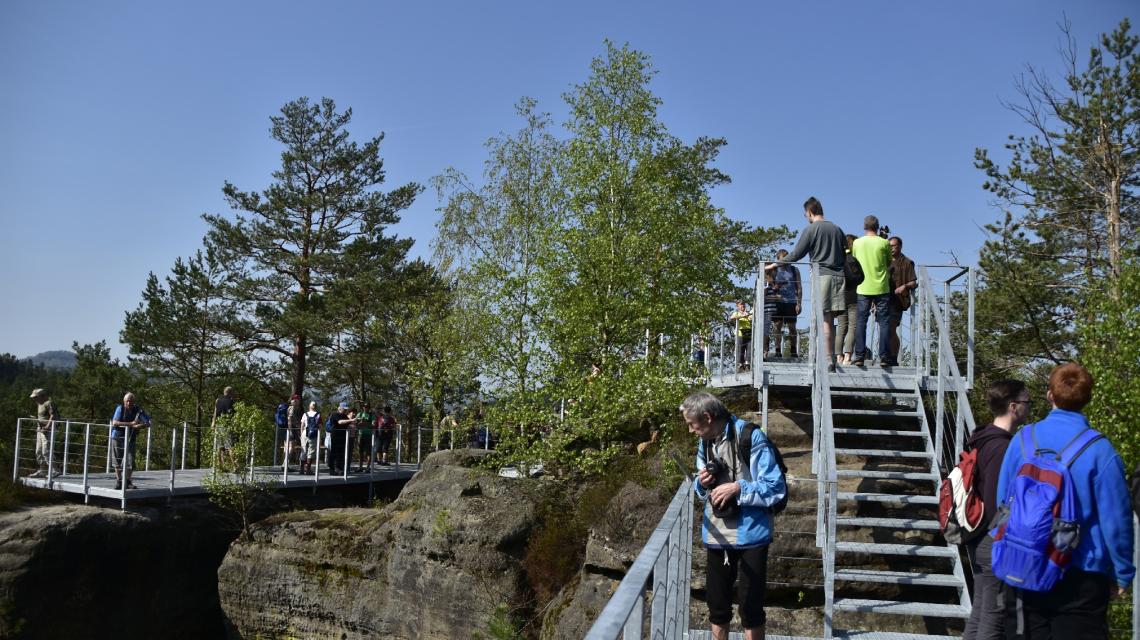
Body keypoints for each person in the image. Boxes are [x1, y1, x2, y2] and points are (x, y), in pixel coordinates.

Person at [995, 363, 1134, 638]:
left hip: (1024, 563)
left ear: (1050, 395)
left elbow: (1003, 501)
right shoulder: (1101, 451)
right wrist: (1122, 572)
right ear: (1088, 398)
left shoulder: (1022, 440)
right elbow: (1116, 521)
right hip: (1080, 573)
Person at [682, 391, 785, 640]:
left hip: (752, 536)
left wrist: (738, 487)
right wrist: (703, 483)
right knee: (717, 608)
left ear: (707, 417)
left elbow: (775, 487)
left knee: (751, 609)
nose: (690, 430)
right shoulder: (705, 443)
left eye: (691, 424)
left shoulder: (750, 436)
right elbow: (701, 491)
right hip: (718, 535)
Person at [962, 379, 1030, 640]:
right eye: (1027, 402)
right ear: (1013, 406)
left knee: (980, 613)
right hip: (993, 540)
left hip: (979, 537)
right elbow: (995, 501)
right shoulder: (1002, 447)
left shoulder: (982, 438)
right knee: (993, 618)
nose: (1030, 407)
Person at [765, 197, 847, 372]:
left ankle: (826, 359)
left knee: (823, 319)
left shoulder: (812, 229)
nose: (806, 218)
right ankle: (831, 355)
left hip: (822, 276)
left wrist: (774, 264)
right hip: (839, 276)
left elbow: (796, 254)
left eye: (806, 215)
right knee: (831, 319)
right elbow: (844, 254)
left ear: (810, 212)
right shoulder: (838, 230)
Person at [851, 215, 893, 368]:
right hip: (881, 286)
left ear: (864, 226)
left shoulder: (857, 243)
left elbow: (854, 260)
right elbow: (888, 261)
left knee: (861, 321)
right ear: (877, 227)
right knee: (884, 322)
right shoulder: (884, 243)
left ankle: (860, 356)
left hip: (862, 286)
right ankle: (884, 356)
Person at [110, 392, 150, 490]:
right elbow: (115, 422)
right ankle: (119, 481)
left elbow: (148, 422)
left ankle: (127, 481)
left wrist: (139, 426)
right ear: (124, 402)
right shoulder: (120, 408)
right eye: (127, 401)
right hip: (118, 437)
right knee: (117, 460)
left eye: (131, 401)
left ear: (134, 402)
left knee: (130, 460)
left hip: (130, 438)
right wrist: (131, 424)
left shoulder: (138, 410)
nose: (129, 403)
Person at [887, 236, 917, 365]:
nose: (891, 248)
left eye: (893, 246)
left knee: (891, 328)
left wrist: (905, 286)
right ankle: (885, 356)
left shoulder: (907, 262)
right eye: (889, 246)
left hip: (897, 301)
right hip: (883, 299)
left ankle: (893, 358)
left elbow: (914, 282)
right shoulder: (885, 261)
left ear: (900, 246)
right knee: (884, 329)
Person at [834, 234, 861, 365]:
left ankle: (838, 357)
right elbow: (861, 277)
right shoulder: (853, 260)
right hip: (854, 296)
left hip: (839, 297)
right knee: (853, 327)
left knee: (841, 327)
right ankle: (847, 356)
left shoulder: (836, 261)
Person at [771, 250, 802, 359]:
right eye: (783, 259)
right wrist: (774, 288)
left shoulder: (794, 270)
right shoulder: (774, 270)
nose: (785, 261)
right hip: (777, 302)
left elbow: (799, 287)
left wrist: (799, 303)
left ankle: (793, 350)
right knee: (777, 327)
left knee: (792, 327)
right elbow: (769, 286)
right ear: (778, 259)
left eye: (787, 258)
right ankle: (777, 350)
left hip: (791, 302)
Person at [28, 388, 60, 478]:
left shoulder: (48, 403)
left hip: (48, 429)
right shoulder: (39, 404)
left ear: (42, 396)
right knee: (38, 451)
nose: (34, 399)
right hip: (40, 429)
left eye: (36, 397)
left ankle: (55, 470)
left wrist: (47, 427)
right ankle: (42, 470)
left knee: (46, 450)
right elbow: (43, 416)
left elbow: (53, 415)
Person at [212, 386, 236, 468]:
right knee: (230, 447)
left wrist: (213, 423)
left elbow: (215, 413)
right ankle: (235, 466)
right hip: (227, 425)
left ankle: (221, 466)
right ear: (231, 393)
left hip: (218, 425)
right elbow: (233, 414)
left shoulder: (218, 400)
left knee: (220, 447)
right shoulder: (231, 401)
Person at [728, 300, 753, 371]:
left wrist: (748, 316)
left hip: (748, 332)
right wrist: (741, 316)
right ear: (738, 306)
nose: (743, 306)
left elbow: (752, 318)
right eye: (741, 305)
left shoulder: (748, 313)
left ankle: (747, 363)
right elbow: (732, 318)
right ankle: (740, 364)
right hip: (740, 333)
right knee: (740, 349)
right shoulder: (736, 313)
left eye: (743, 304)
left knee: (749, 348)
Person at [328, 401, 351, 475]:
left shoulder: (344, 415)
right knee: (334, 452)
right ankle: (332, 469)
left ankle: (339, 468)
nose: (345, 410)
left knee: (341, 453)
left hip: (343, 436)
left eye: (346, 409)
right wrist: (350, 420)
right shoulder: (334, 414)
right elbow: (340, 422)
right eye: (344, 409)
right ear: (340, 408)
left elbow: (348, 423)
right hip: (335, 436)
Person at [762, 269, 780, 358]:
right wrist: (775, 297)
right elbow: (763, 298)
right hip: (767, 311)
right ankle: (765, 351)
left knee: (776, 330)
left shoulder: (775, 283)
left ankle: (777, 350)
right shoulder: (765, 283)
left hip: (775, 310)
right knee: (766, 332)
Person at [299, 401, 321, 475]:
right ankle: (308, 469)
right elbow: (320, 426)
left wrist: (301, 433)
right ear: (315, 407)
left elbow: (302, 425)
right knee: (311, 451)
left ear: (309, 406)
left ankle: (301, 469)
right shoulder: (318, 415)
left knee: (303, 450)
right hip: (313, 434)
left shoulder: (305, 414)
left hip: (305, 432)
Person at [356, 402, 376, 472]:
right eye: (364, 407)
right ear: (363, 407)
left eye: (367, 407)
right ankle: (360, 467)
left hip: (369, 435)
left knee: (368, 452)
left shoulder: (372, 415)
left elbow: (373, 426)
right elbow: (356, 425)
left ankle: (368, 467)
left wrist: (365, 423)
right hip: (361, 435)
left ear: (369, 408)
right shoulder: (359, 414)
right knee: (360, 451)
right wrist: (360, 423)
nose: (365, 408)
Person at [286, 393, 303, 467]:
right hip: (291, 429)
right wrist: (290, 430)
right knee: (290, 447)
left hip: (291, 429)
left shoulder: (290, 408)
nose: (298, 401)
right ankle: (285, 464)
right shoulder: (292, 408)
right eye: (297, 400)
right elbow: (289, 419)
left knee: (288, 447)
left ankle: (285, 464)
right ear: (293, 401)